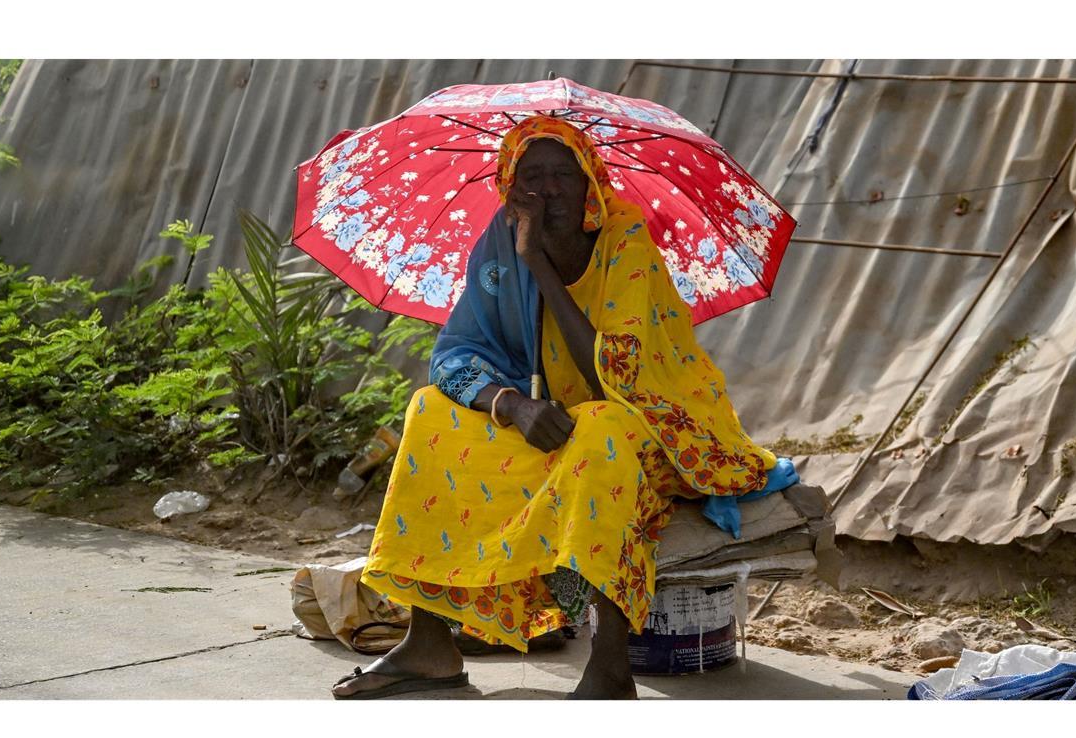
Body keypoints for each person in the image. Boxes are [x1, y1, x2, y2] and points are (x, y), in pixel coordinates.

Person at [332, 115, 777, 700]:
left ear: (590, 178)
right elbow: (457, 352)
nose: (548, 190)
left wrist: (539, 261)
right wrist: (510, 404)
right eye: (531, 175)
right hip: (547, 417)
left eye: (563, 174)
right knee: (428, 411)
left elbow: (609, 375)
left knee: (601, 430)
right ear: (510, 186)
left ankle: (611, 665)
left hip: (650, 416)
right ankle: (429, 641)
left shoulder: (625, 242)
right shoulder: (501, 238)